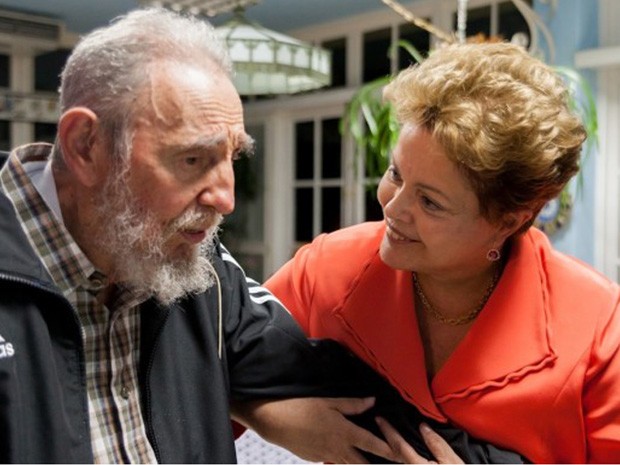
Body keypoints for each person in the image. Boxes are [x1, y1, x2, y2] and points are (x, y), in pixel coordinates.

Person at [0, 8, 406, 463]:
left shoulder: (196, 268)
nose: (226, 199)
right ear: (85, 146)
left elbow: (328, 386)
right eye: (192, 160)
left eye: (233, 157)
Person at [265, 41, 620, 463]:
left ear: (507, 221)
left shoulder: (598, 328)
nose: (392, 207)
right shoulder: (327, 268)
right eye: (396, 173)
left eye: (430, 202)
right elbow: (207, 369)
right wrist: (278, 420)